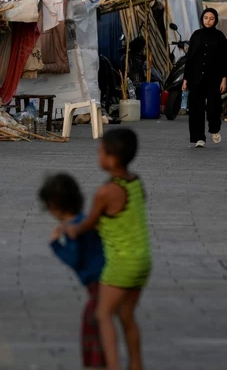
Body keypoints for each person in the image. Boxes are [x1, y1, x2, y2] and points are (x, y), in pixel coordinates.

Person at [64, 128, 151, 370]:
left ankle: (112, 366)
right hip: (143, 260)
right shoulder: (135, 183)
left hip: (121, 263)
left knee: (103, 315)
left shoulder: (106, 192)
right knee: (126, 316)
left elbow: (89, 223)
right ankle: (136, 364)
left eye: (100, 152)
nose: (98, 156)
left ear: (111, 158)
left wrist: (70, 230)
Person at [40, 173, 106, 369]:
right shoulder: (85, 219)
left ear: (53, 205)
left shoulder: (72, 228)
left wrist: (55, 245)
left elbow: (75, 259)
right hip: (108, 280)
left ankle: (95, 364)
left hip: (98, 284)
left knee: (92, 326)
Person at [181, 8, 227, 148]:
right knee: (196, 108)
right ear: (202, 19)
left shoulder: (220, 37)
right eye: (206, 18)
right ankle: (199, 138)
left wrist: (224, 78)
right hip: (196, 78)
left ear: (216, 20)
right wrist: (185, 79)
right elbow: (190, 58)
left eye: (211, 18)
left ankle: (214, 128)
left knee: (213, 107)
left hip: (213, 78)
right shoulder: (196, 35)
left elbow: (224, 59)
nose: (208, 21)